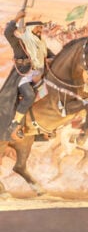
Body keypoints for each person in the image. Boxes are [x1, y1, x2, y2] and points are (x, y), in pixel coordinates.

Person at [4, 9, 54, 137]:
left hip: (40, 74)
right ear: (31, 28)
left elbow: (52, 56)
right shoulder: (20, 42)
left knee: (50, 95)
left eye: (41, 28)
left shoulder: (41, 44)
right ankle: (15, 123)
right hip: (23, 76)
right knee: (29, 96)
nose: (40, 30)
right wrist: (16, 18)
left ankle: (41, 125)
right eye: (38, 28)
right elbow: (8, 33)